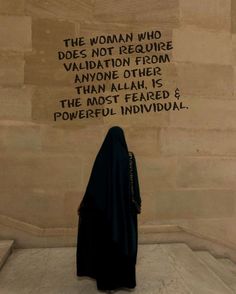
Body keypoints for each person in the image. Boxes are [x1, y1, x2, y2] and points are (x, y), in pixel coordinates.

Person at [76, 126, 141, 292]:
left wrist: (84, 205)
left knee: (104, 246)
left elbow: (93, 187)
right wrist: (135, 206)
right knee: (123, 244)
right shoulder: (129, 158)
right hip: (124, 216)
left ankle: (106, 284)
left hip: (103, 215)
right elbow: (135, 190)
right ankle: (123, 281)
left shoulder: (102, 158)